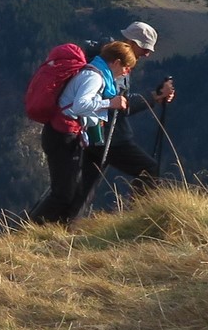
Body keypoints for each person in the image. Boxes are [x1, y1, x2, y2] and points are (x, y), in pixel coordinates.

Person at [30, 41, 140, 225]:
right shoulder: (94, 77)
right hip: (62, 136)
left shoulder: (94, 71)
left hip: (63, 133)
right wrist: (109, 103)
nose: (126, 72)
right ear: (116, 62)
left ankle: (45, 229)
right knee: (63, 193)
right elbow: (81, 105)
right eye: (126, 67)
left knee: (68, 190)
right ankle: (30, 229)